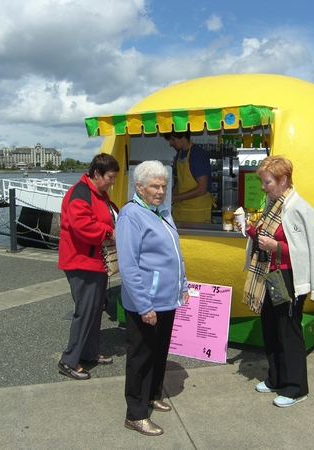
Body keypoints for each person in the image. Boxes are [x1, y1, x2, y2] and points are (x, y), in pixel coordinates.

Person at [239, 155, 314, 408]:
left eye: (267, 182)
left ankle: (296, 387)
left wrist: (276, 245)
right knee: (271, 326)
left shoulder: (301, 208)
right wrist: (251, 230)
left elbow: (312, 250)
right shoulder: (273, 203)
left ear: (283, 179)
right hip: (272, 275)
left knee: (289, 331)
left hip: (289, 277)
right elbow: (266, 236)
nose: (263, 187)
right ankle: (276, 378)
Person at [116, 160, 189, 436]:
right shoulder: (130, 215)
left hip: (167, 299)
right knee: (141, 356)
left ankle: (152, 394)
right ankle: (135, 413)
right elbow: (129, 265)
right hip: (146, 302)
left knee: (159, 352)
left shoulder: (161, 212)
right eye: (154, 186)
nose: (160, 191)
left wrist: (182, 283)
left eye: (164, 185)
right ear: (139, 187)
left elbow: (174, 252)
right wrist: (144, 304)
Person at [57, 153, 119, 380]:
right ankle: (69, 360)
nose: (112, 182)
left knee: (93, 310)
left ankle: (90, 353)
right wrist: (110, 233)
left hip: (94, 260)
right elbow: (82, 226)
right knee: (85, 311)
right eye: (110, 177)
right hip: (82, 261)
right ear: (97, 173)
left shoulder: (96, 193)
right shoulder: (80, 193)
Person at [164, 130, 213, 223]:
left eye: (173, 139)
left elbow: (202, 188)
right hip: (180, 210)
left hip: (197, 212)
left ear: (183, 136)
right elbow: (180, 180)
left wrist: (175, 198)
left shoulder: (198, 155)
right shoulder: (179, 155)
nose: (171, 143)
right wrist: (169, 197)